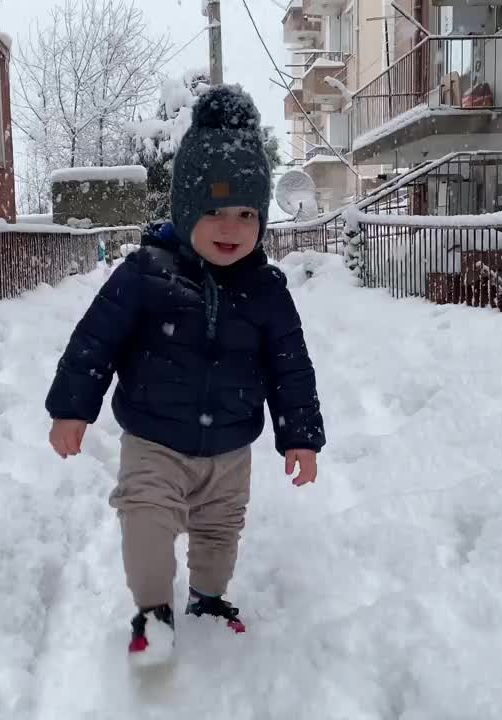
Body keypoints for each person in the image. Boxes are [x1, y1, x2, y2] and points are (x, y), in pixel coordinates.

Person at [45, 84, 326, 664]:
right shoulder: (146, 273)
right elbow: (95, 340)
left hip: (230, 448)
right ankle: (153, 611)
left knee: (220, 533)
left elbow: (289, 364)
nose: (232, 226)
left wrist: (299, 436)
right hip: (154, 440)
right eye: (216, 210)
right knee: (144, 519)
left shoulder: (267, 290)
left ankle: (208, 599)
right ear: (185, 208)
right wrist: (72, 407)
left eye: (246, 212)